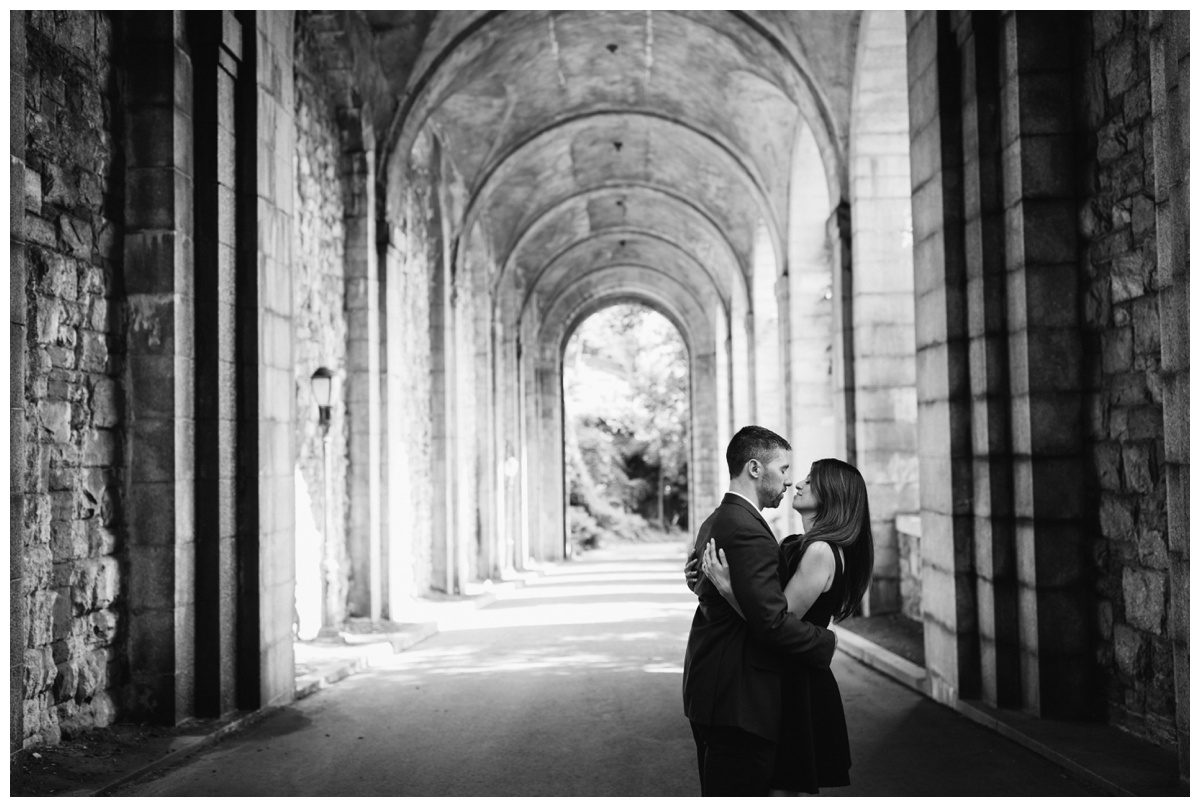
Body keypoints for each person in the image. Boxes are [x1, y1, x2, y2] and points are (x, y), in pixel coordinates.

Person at [699, 457, 875, 795]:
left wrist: (727, 589)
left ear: (833, 494)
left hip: (798, 680)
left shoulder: (821, 550)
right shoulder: (807, 544)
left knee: (785, 787)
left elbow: (778, 621)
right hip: (790, 672)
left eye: (811, 480)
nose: (798, 483)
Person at [681, 426, 837, 797]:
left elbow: (713, 592)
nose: (788, 481)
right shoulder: (746, 529)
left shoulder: (720, 518)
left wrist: (707, 586)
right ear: (754, 468)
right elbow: (770, 620)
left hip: (714, 690)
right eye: (783, 469)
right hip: (738, 700)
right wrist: (823, 640)